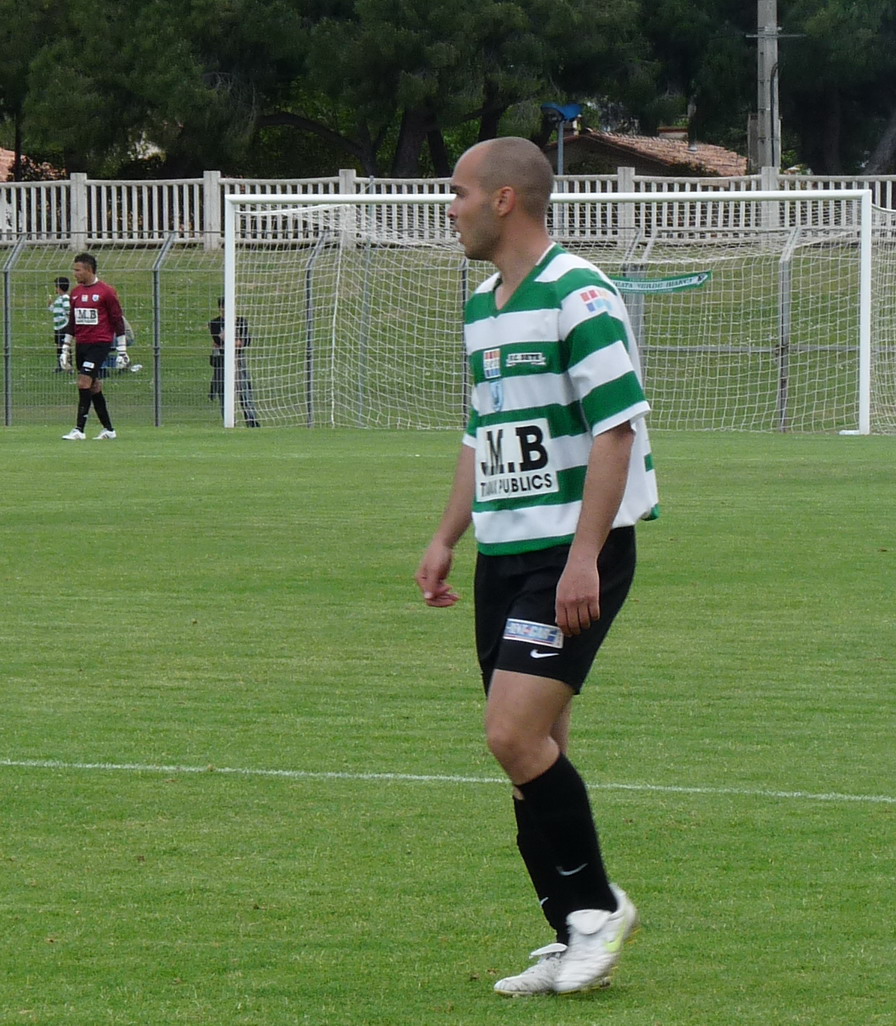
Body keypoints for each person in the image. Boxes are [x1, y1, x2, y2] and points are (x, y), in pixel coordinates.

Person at [415, 138, 659, 997]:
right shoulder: (484, 305)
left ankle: (597, 909)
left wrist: (585, 556)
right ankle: (566, 930)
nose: (450, 207)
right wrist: (448, 535)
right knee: (537, 746)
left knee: (511, 735)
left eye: (458, 192)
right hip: (506, 552)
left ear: (506, 200)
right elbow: (482, 435)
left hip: (573, 552)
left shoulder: (579, 292)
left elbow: (615, 429)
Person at [59, 253, 128, 440]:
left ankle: (79, 430)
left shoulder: (106, 291)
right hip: (82, 344)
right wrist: (65, 348)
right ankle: (109, 429)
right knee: (94, 386)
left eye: (77, 270)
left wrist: (122, 350)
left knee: (83, 382)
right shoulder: (76, 293)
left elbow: (117, 321)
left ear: (88, 270)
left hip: (100, 343)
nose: (74, 273)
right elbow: (72, 322)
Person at [208, 297, 260, 427]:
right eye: (224, 307)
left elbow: (245, 341)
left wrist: (231, 342)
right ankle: (229, 420)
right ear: (220, 308)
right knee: (223, 389)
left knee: (244, 389)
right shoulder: (215, 323)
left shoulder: (241, 321)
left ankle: (251, 420)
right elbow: (218, 341)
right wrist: (232, 342)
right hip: (222, 359)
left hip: (238, 359)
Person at [49, 276, 71, 371]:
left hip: (64, 326)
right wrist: (50, 304)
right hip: (57, 326)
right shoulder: (59, 299)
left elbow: (68, 310)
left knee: (65, 346)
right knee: (59, 345)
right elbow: (54, 310)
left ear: (59, 287)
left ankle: (68, 365)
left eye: (56, 286)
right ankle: (60, 365)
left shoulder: (65, 298)